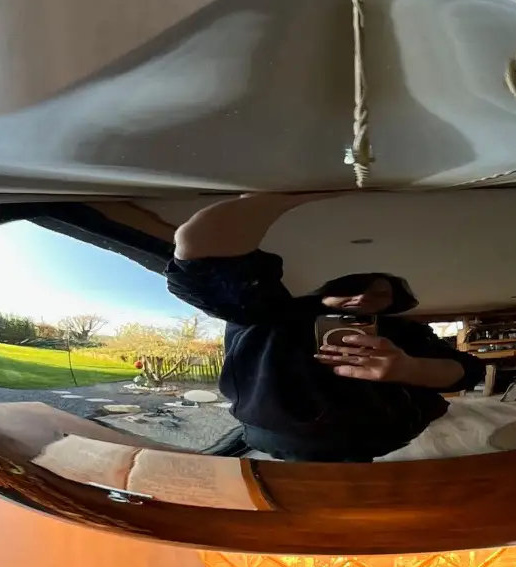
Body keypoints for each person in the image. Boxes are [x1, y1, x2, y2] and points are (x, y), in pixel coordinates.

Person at [166, 193, 484, 462]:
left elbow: (468, 369)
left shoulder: (404, 331)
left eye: (380, 295)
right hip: (279, 434)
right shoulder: (275, 310)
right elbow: (234, 295)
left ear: (393, 304)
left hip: (375, 436)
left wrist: (411, 369)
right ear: (327, 291)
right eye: (354, 289)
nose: (362, 297)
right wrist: (208, 259)